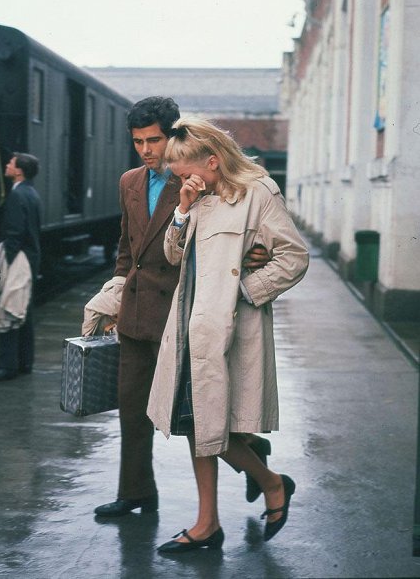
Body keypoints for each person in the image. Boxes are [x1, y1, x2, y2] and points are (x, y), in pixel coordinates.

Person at [94, 97, 270, 518]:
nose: (146, 150)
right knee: (132, 409)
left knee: (193, 418)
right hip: (135, 314)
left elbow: (229, 237)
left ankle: (249, 458)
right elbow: (126, 248)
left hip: (181, 315)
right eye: (137, 142)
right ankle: (135, 491)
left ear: (171, 135)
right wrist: (114, 296)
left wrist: (245, 259)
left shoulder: (196, 178)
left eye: (153, 140)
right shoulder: (129, 182)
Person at [146, 117, 309, 553]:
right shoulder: (196, 197)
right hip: (188, 324)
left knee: (208, 425)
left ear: (213, 160)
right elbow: (172, 254)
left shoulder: (258, 193)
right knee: (193, 424)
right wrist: (181, 209)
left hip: (229, 329)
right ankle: (208, 522)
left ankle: (273, 485)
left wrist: (244, 290)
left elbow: (293, 257)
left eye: (185, 172)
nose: (182, 180)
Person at [0, 153, 42, 382]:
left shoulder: (17, 195)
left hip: (18, 260)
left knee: (8, 309)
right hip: (30, 257)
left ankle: (6, 366)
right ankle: (25, 362)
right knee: (23, 310)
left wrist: (6, 263)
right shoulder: (31, 193)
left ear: (18, 171)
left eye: (10, 163)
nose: (6, 164)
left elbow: (15, 233)